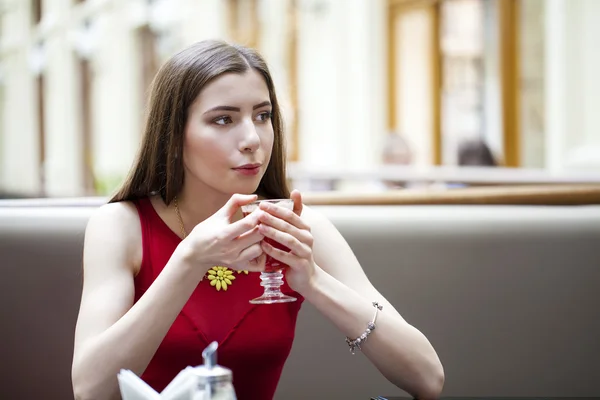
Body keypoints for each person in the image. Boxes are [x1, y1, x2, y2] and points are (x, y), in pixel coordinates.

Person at [71, 40, 444, 400]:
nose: (252, 138)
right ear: (174, 134)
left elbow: (427, 378)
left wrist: (313, 282)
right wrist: (190, 259)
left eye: (262, 116)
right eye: (223, 119)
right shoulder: (121, 227)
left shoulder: (297, 226)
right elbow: (91, 390)